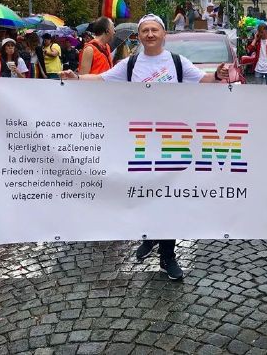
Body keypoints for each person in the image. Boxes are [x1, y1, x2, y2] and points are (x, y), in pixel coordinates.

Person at [60, 14, 229, 281]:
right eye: (145, 31)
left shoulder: (176, 62)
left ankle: (167, 256)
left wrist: (218, 75)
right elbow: (102, 80)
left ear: (163, 34)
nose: (150, 34)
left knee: (169, 197)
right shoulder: (130, 64)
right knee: (145, 193)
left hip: (172, 140)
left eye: (155, 30)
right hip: (139, 141)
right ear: (139, 36)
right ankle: (150, 234)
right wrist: (75, 79)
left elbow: (204, 81)